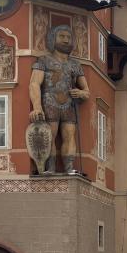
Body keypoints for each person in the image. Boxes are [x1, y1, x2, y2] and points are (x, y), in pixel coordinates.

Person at [29, 25, 91, 174]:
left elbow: (87, 91)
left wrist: (80, 93)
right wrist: (37, 106)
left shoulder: (75, 65)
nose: (66, 40)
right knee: (50, 135)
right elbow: (34, 83)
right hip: (49, 101)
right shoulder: (43, 60)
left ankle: (69, 167)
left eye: (68, 37)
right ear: (53, 39)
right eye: (62, 36)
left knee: (70, 135)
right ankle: (50, 167)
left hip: (69, 104)